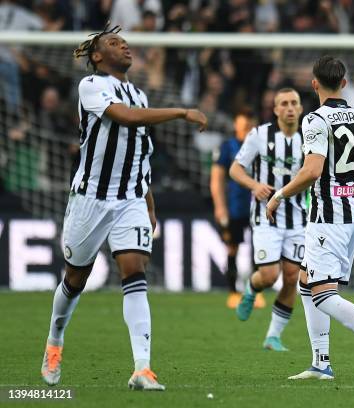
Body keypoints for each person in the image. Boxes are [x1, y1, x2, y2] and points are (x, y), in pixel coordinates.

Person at [40, 23, 207, 391]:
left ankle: (142, 369)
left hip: (130, 198)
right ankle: (55, 341)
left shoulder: (140, 94)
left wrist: (148, 202)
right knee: (75, 279)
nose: (125, 45)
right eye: (115, 42)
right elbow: (125, 117)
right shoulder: (92, 86)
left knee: (134, 272)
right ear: (98, 56)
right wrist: (181, 112)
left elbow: (140, 154)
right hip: (91, 198)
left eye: (125, 41)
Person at [266, 56, 354, 381]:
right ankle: (321, 363)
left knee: (323, 293)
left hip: (327, 216)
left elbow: (312, 171)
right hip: (353, 213)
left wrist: (279, 194)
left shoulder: (315, 120)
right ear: (344, 83)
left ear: (314, 83)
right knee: (307, 282)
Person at [229, 88, 307, 351]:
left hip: (298, 218)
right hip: (266, 217)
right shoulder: (259, 135)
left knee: (291, 276)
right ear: (275, 110)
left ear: (300, 108)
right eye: (283, 103)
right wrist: (253, 185)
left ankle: (273, 336)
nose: (289, 108)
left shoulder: (310, 138)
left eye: (294, 103)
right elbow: (235, 169)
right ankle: (252, 288)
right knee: (269, 276)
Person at [210, 109, 265, 309]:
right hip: (234, 206)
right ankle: (233, 292)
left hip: (259, 205)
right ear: (235, 125)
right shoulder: (227, 147)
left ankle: (254, 292)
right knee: (232, 247)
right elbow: (217, 178)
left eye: (250, 126)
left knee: (259, 249)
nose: (247, 130)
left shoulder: (262, 145)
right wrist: (220, 207)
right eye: (243, 126)